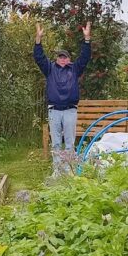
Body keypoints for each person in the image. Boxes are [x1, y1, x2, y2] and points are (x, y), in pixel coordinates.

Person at [34, 21, 93, 175]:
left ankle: (68, 171)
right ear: (57, 59)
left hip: (70, 111)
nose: (62, 59)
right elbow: (39, 57)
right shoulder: (49, 68)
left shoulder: (75, 69)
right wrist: (38, 40)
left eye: (64, 57)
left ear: (68, 59)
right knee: (55, 144)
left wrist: (87, 39)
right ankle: (57, 172)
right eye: (60, 57)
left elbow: (85, 57)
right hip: (54, 111)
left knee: (69, 144)